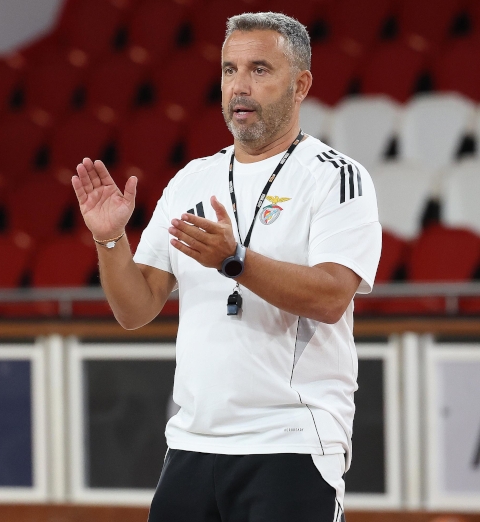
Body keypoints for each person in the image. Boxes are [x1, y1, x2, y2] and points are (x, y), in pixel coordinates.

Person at [71, 12, 381, 522]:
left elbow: (330, 297)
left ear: (300, 84)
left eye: (260, 69)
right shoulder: (192, 180)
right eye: (229, 69)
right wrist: (109, 238)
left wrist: (235, 261)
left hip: (291, 442)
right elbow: (136, 308)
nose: (240, 85)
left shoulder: (337, 178)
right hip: (192, 444)